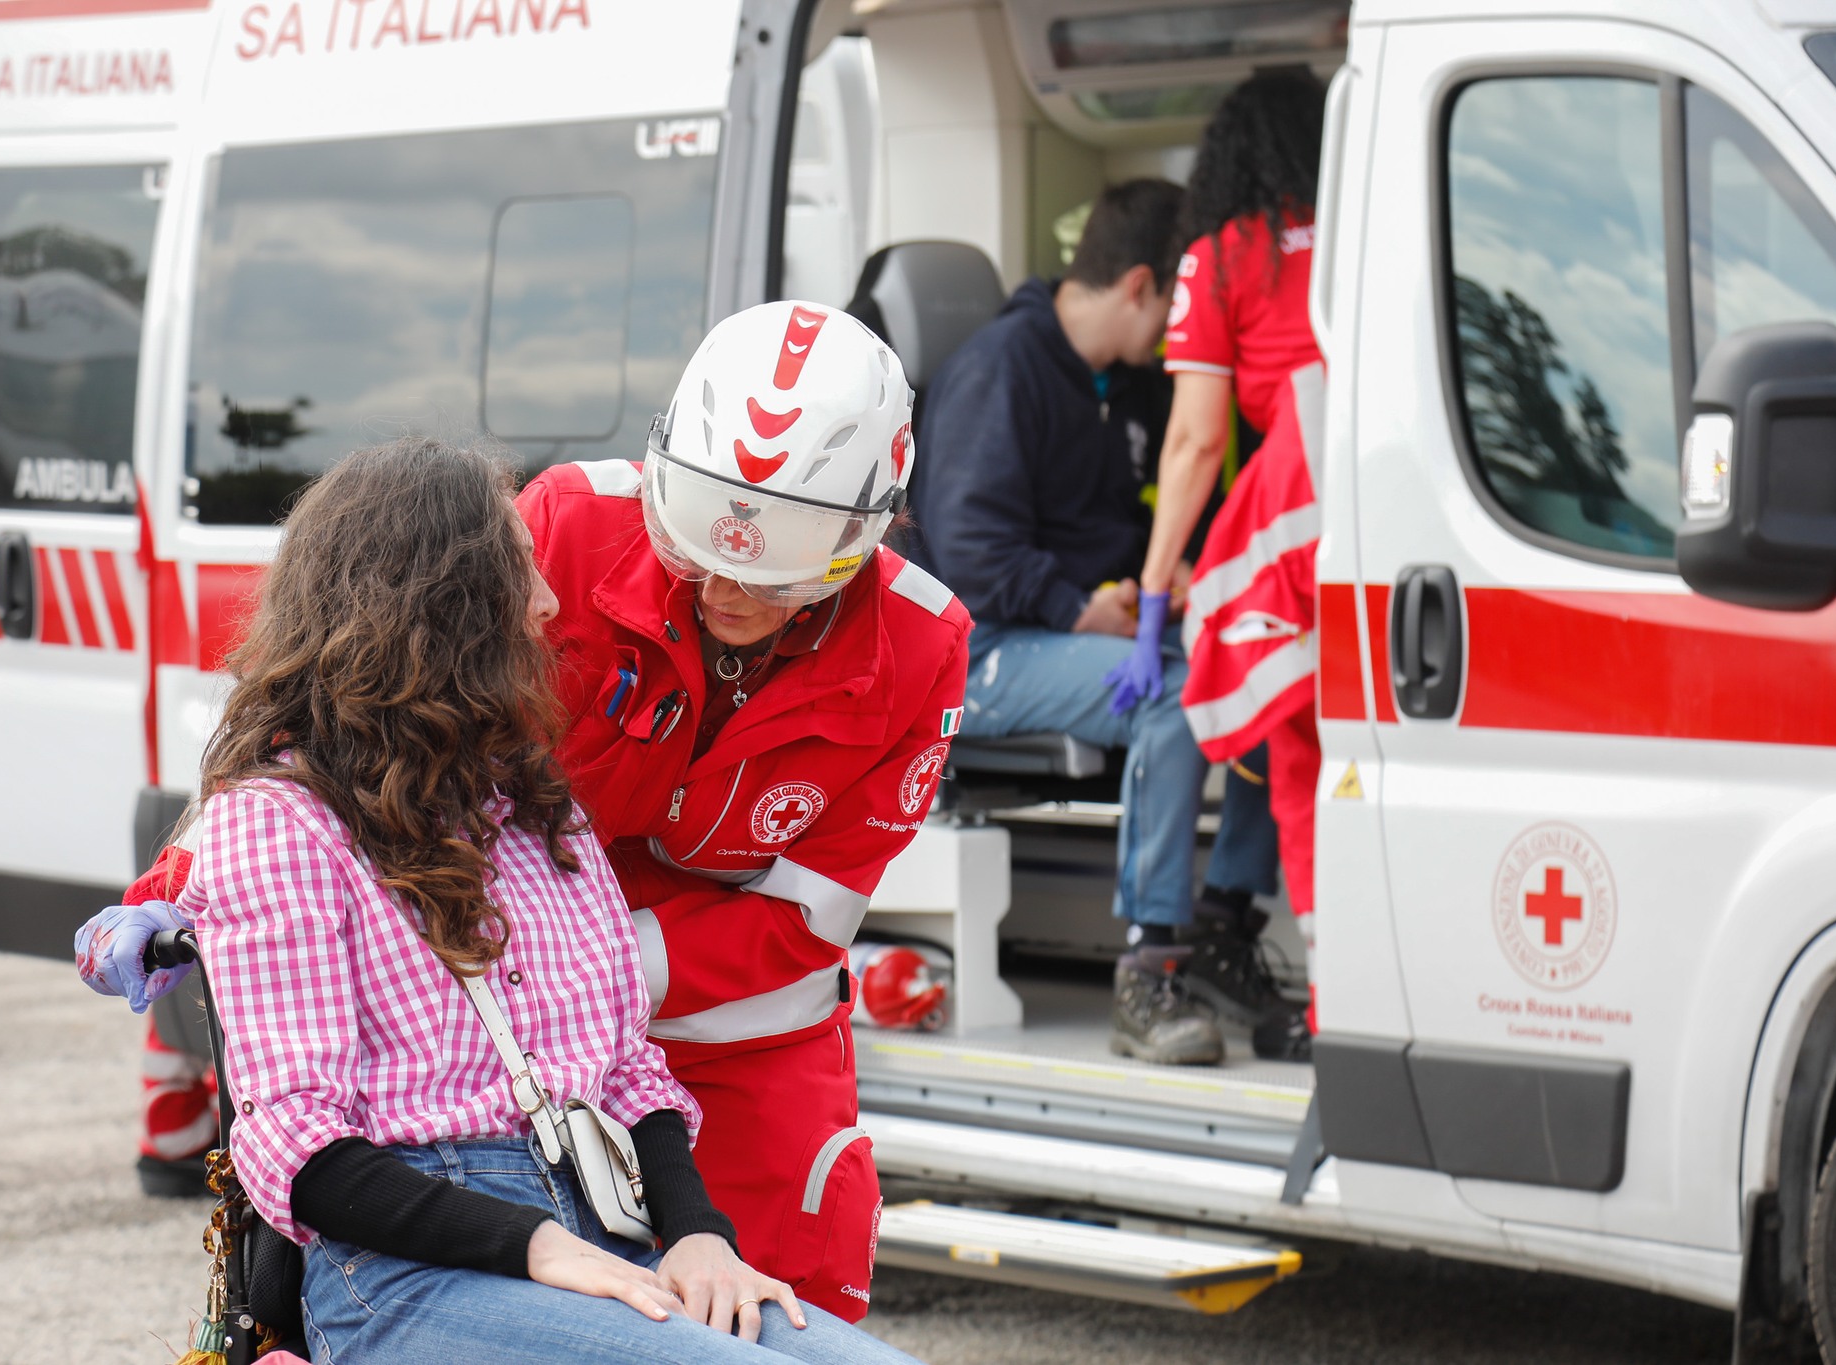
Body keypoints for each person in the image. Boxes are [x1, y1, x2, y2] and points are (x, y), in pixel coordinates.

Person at [79, 299, 971, 1321]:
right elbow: (342, 718)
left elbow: (805, 920)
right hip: (495, 1025)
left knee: (784, 1313)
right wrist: (176, 887)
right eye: (703, 549)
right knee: (522, 1303)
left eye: (773, 575)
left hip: (730, 1036)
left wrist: (573, 971)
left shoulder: (919, 645)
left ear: (870, 526)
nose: (727, 584)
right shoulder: (567, 529)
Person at [174, 436, 921, 1364]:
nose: (550, 602)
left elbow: (627, 1074)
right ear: (439, 608)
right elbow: (297, 1147)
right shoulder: (280, 822)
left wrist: (698, 1235)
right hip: (408, 1275)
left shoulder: (532, 802)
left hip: (598, 1225)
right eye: (518, 577)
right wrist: (532, 1244)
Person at [909, 178, 1240, 1066]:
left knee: (1248, 668)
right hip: (981, 652)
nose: (1186, 330)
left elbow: (1143, 520)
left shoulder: (1130, 387)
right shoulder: (1000, 370)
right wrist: (1080, 608)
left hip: (1086, 627)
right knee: (1174, 697)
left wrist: (1167, 583)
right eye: (1183, 303)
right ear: (1140, 286)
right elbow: (972, 556)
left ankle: (1231, 927)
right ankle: (1149, 970)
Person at [1109, 69, 1328, 1062]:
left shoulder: (1219, 254)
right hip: (1389, 491)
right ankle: (1232, 930)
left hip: (1302, 493)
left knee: (1283, 738)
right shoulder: (1367, 224)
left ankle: (1203, 957)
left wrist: (1155, 600)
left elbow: (1194, 443)